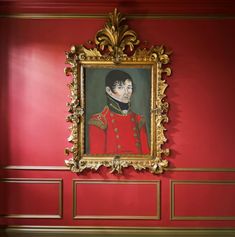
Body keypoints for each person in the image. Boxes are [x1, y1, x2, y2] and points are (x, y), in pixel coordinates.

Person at [88, 70, 149, 155]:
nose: (126, 92)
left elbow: (146, 156)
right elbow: (97, 158)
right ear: (109, 91)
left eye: (129, 87)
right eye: (120, 87)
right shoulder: (100, 120)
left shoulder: (139, 120)